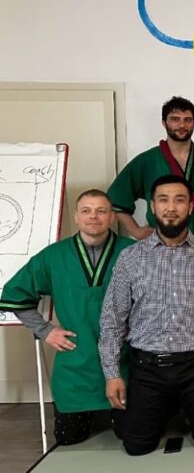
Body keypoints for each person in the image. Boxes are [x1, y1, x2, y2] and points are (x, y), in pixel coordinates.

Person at [99, 175, 194, 455]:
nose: (171, 207)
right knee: (136, 447)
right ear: (153, 207)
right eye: (163, 200)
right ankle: (163, 410)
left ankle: (183, 409)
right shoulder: (131, 257)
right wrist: (112, 374)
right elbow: (112, 320)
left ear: (190, 207)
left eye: (179, 200)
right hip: (147, 368)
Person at [0, 190, 133, 445]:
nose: (93, 216)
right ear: (76, 216)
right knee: (68, 439)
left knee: (133, 437)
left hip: (125, 361)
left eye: (101, 211)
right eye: (86, 211)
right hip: (76, 362)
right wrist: (45, 330)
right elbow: (14, 293)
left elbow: (157, 301)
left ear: (112, 216)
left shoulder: (133, 252)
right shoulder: (53, 256)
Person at [107, 96, 194, 243]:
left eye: (188, 120)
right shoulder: (147, 161)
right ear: (164, 123)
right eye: (175, 119)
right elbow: (116, 196)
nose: (182, 125)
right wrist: (135, 230)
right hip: (160, 241)